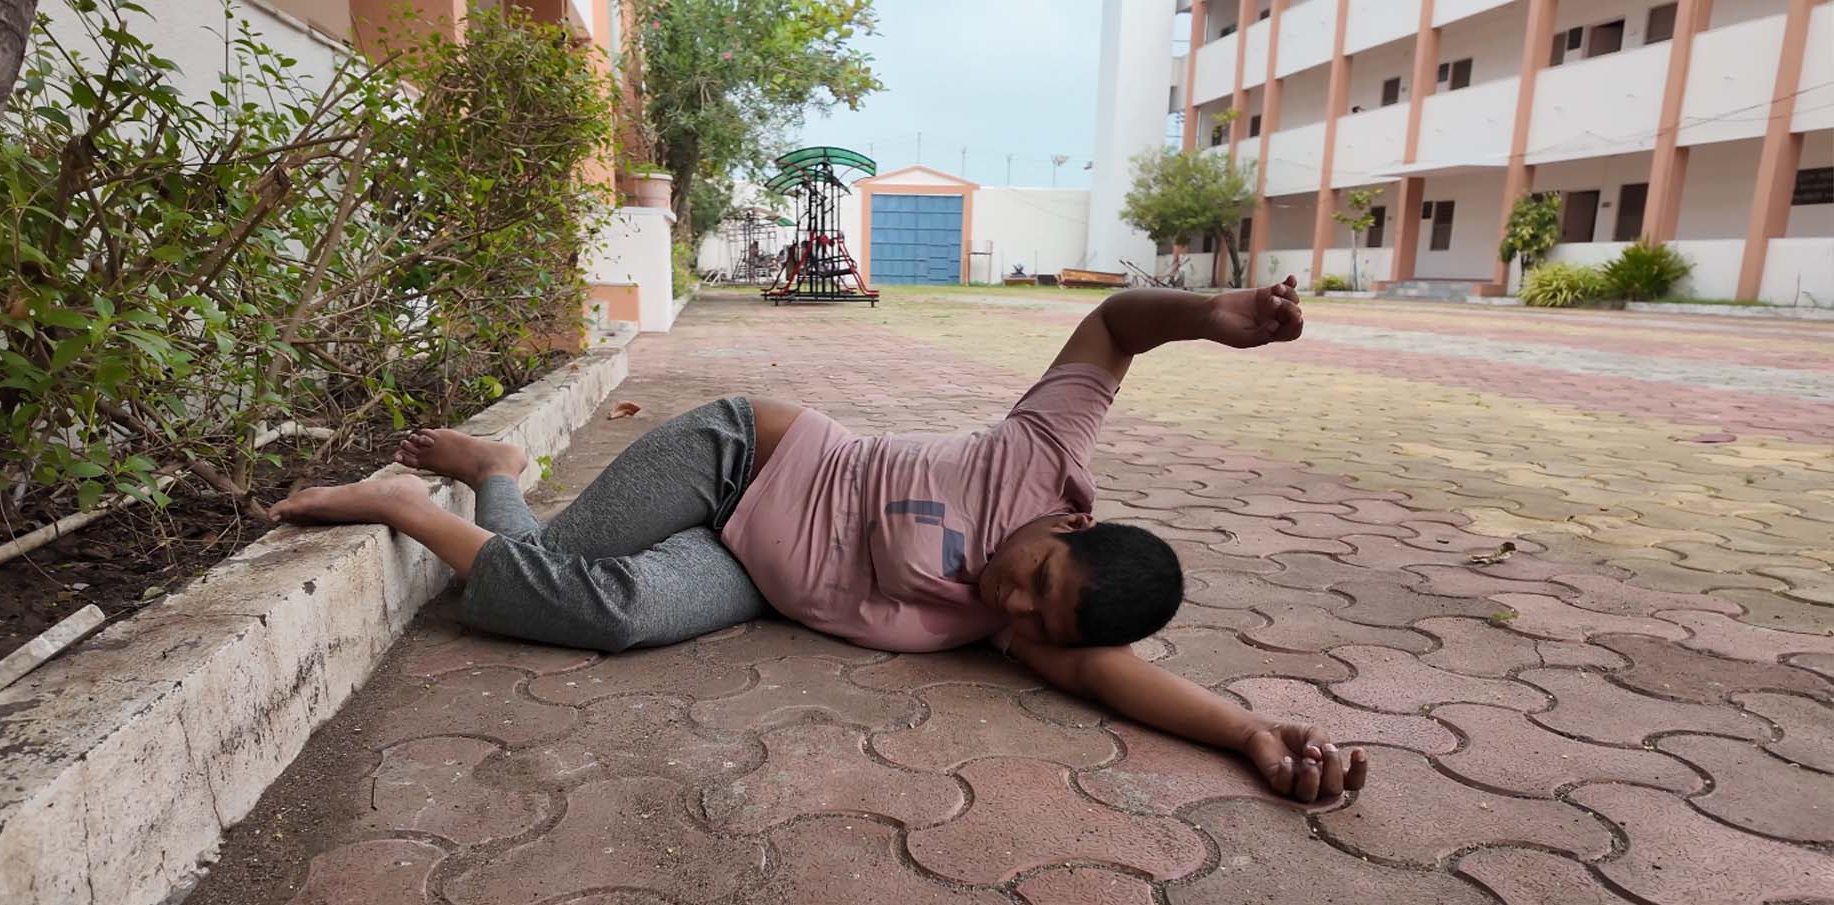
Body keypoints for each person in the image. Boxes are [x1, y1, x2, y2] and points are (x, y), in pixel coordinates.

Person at [270, 276, 1366, 801]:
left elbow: (1106, 673)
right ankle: (478, 480)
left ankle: (434, 503)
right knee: (552, 569)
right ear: (1071, 524)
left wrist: (1246, 731)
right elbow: (1118, 323)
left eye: (1043, 619)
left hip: (752, 571)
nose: (1015, 606)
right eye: (1037, 578)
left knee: (604, 614)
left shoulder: (1037, 627)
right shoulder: (1042, 453)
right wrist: (1211, 316)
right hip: (740, 457)